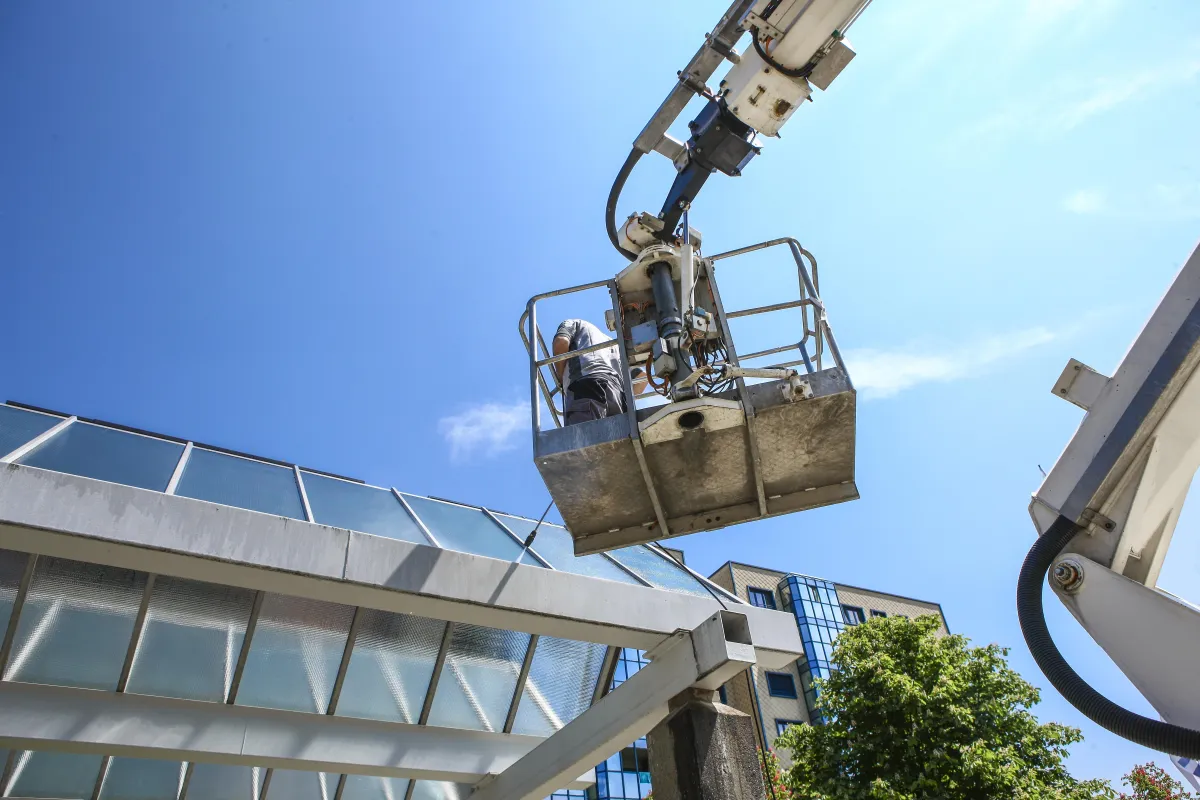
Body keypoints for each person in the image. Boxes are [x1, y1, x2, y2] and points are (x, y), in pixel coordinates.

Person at [553, 318, 645, 425]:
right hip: (617, 395)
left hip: (588, 384)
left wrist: (560, 376)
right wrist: (626, 400)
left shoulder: (575, 323)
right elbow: (641, 376)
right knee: (619, 439)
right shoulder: (613, 344)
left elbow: (561, 341)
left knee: (584, 438)